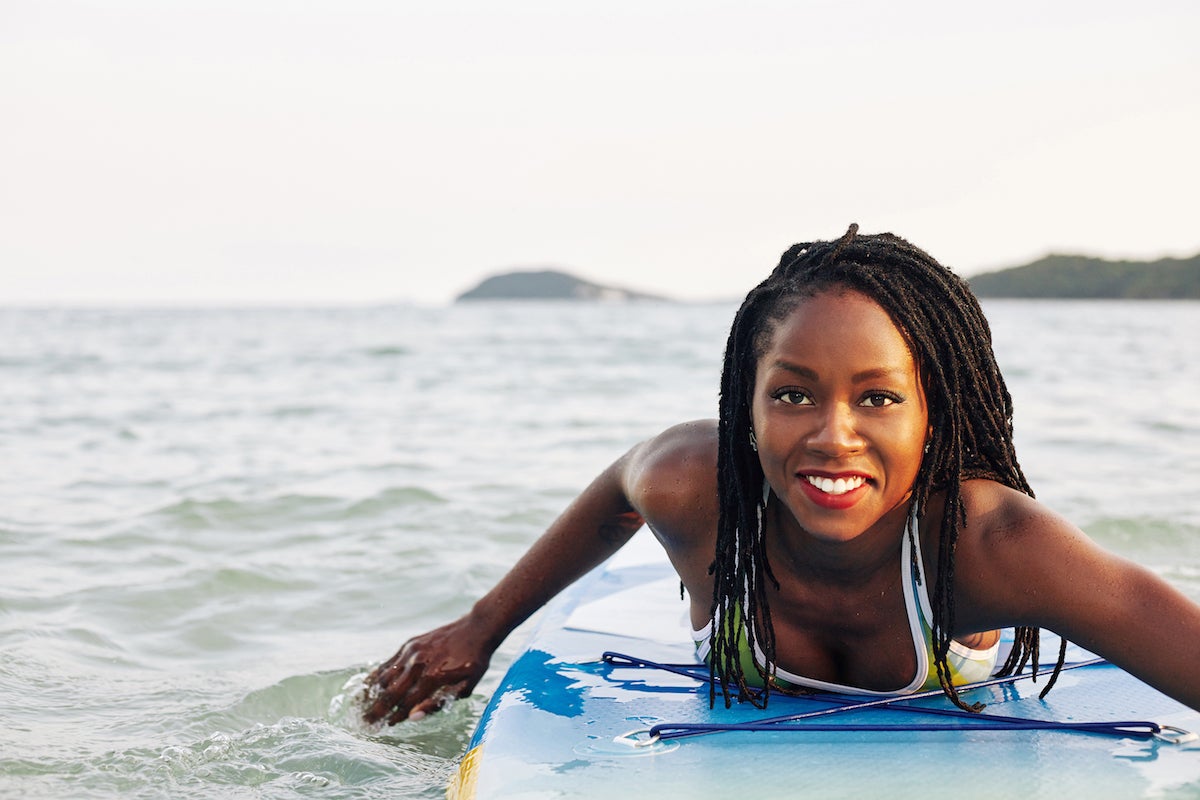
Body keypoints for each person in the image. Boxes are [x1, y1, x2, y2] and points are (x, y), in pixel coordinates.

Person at [363, 225, 1200, 725]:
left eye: (878, 398)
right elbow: (621, 486)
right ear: (747, 408)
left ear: (933, 415)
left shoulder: (991, 546)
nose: (834, 436)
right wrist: (480, 627)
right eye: (793, 394)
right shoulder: (700, 482)